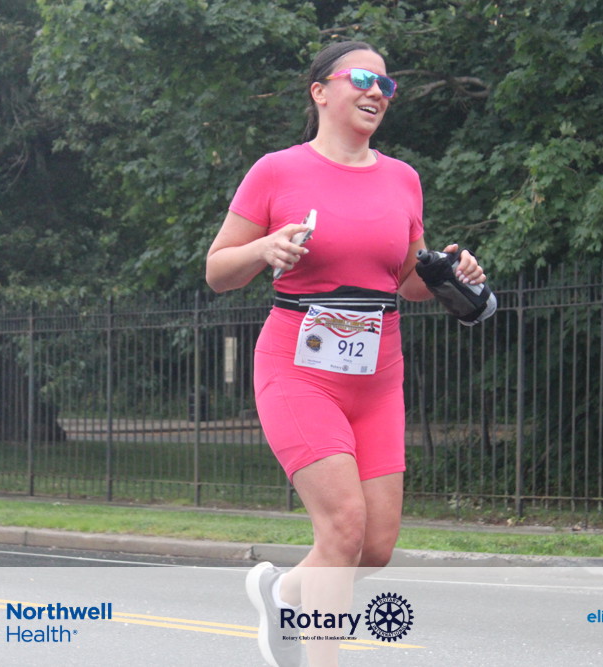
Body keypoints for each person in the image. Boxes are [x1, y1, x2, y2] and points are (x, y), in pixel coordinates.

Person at [205, 41, 486, 667]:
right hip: (298, 371)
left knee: (374, 547)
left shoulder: (403, 178)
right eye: (362, 78)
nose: (377, 91)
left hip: (378, 379)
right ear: (320, 91)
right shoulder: (276, 171)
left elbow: (406, 282)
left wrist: (451, 274)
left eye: (387, 85)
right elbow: (217, 270)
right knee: (342, 527)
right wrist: (264, 249)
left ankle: (284, 592)